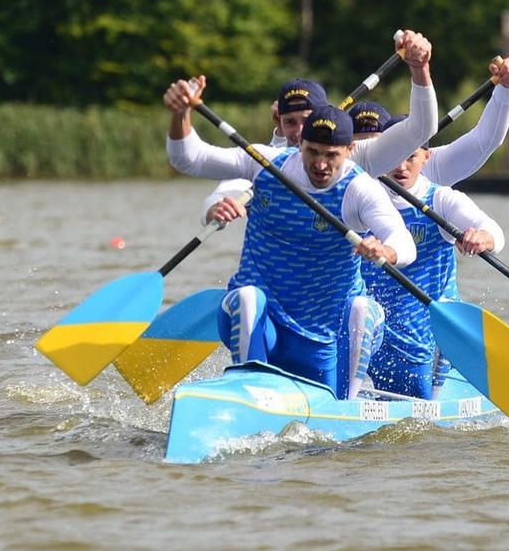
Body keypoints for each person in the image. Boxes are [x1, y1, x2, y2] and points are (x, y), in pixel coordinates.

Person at [165, 86, 419, 400]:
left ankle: (346, 403)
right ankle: (247, 392)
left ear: (349, 151)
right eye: (313, 151)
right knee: (246, 297)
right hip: (264, 327)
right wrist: (180, 113)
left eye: (331, 156)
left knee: (364, 309)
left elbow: (404, 243)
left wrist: (386, 251)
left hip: (323, 343)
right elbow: (189, 158)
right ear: (301, 147)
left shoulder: (360, 189)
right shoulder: (266, 163)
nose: (321, 165)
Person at [201, 29, 441, 226]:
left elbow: (421, 130)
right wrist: (216, 208)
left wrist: (420, 70)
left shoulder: (355, 156)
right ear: (279, 122)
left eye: (307, 119)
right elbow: (230, 188)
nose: (299, 130)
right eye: (290, 122)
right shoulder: (266, 160)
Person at [364, 122, 506, 398]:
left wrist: (482, 238)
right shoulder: (363, 195)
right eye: (393, 156)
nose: (401, 167)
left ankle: (440, 387)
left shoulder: (442, 200)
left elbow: (495, 233)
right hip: (372, 330)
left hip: (422, 336)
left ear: (427, 157)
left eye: (410, 157)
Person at [351, 56, 509, 187]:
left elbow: (486, 139)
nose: (367, 153)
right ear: (345, 148)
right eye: (360, 145)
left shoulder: (428, 166)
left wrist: (505, 89)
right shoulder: (333, 172)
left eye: (376, 144)